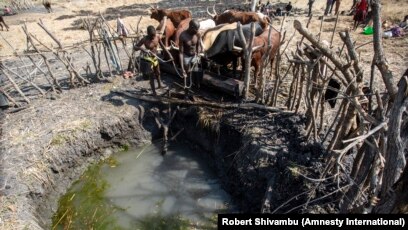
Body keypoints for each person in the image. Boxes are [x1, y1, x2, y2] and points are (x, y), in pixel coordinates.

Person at [133, 25, 164, 95]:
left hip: (155, 58)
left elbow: (163, 46)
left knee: (158, 73)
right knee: (151, 76)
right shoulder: (144, 39)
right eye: (151, 36)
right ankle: (154, 92)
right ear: (148, 34)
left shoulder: (157, 37)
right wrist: (142, 49)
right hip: (148, 60)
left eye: (154, 35)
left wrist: (169, 54)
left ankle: (159, 85)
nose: (153, 37)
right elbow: (135, 47)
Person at [178, 19, 202, 97]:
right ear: (191, 27)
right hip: (186, 56)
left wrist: (198, 53)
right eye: (196, 29)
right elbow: (181, 53)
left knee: (196, 72)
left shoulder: (197, 34)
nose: (197, 31)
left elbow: (198, 46)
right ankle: (186, 93)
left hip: (194, 56)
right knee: (187, 75)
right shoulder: (183, 36)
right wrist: (182, 68)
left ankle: (196, 90)